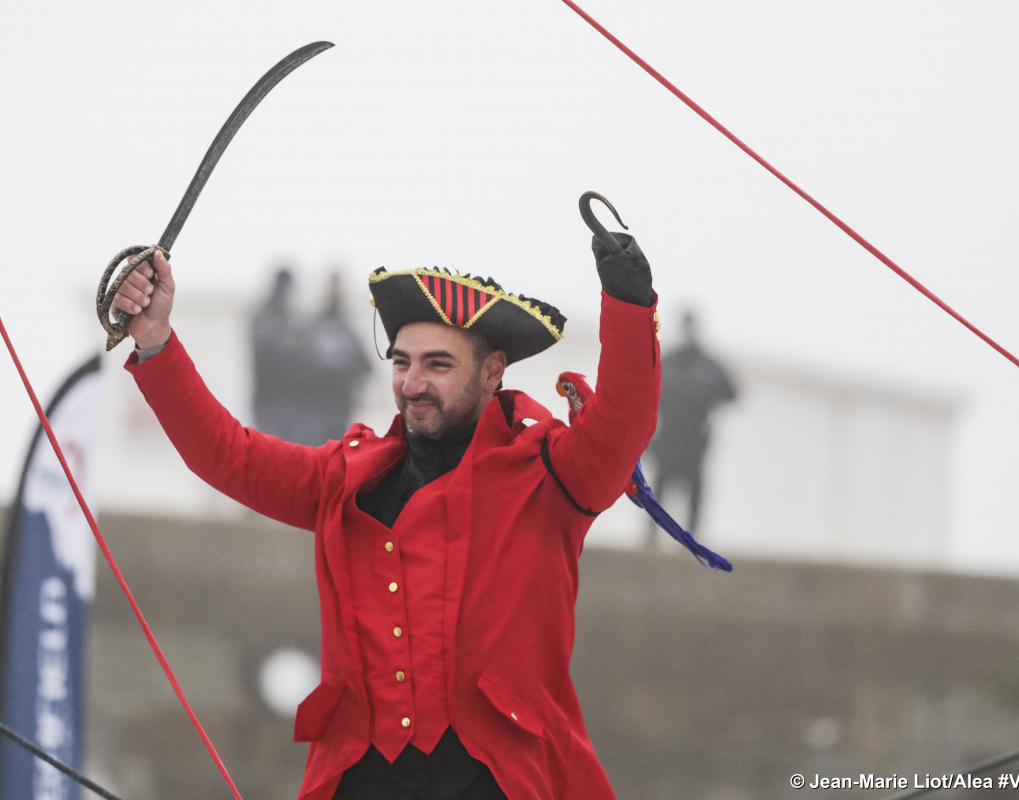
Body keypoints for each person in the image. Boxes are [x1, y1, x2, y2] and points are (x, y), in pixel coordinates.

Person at [108, 228, 662, 800]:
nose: (413, 384)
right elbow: (228, 456)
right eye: (402, 362)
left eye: (438, 364)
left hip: (504, 782)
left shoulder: (549, 475)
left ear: (493, 372)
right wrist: (155, 340)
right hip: (357, 781)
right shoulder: (344, 476)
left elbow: (624, 418)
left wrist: (627, 301)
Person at [646, 311, 737, 543]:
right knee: (659, 487)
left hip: (695, 438)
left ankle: (692, 538)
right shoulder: (667, 361)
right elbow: (642, 389)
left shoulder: (709, 366)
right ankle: (651, 537)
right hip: (667, 436)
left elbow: (733, 393)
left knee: (694, 489)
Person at [252, 270, 371, 445]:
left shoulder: (344, 329)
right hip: (310, 409)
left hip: (336, 406)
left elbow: (365, 366)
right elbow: (295, 365)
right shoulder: (313, 328)